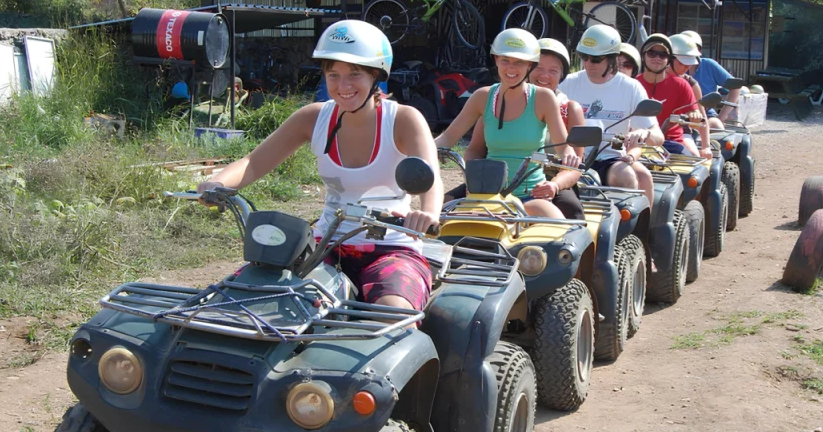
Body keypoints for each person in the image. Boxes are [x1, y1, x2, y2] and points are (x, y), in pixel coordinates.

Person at [195, 20, 443, 316]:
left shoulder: (402, 119)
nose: (343, 86)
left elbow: (431, 178)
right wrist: (217, 182)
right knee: (249, 297)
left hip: (392, 248)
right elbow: (252, 162)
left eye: (355, 74)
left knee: (393, 313)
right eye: (333, 75)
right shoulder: (313, 118)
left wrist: (428, 214)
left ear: (376, 76)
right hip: (324, 247)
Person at [435, 29, 581, 220]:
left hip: (530, 196)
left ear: (529, 64)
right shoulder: (482, 97)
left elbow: (564, 147)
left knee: (559, 229)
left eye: (519, 62)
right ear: (496, 59)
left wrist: (569, 157)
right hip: (486, 195)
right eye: (506, 60)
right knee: (436, 218)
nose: (511, 68)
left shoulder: (543, 98)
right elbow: (447, 138)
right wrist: (416, 153)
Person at [558, 24, 663, 207]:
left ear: (612, 58)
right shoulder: (567, 83)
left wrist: (643, 134)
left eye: (596, 59)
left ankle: (631, 231)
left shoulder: (630, 87)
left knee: (627, 175)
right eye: (584, 56)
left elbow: (658, 136)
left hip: (609, 158)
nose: (589, 63)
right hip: (569, 158)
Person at [636, 33, 711, 158]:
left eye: (663, 55)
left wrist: (694, 116)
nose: (657, 58)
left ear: (668, 58)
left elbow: (698, 118)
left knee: (695, 166)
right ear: (643, 55)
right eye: (651, 53)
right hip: (638, 142)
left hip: (672, 142)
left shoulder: (683, 84)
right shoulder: (633, 84)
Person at [679, 30, 742, 130]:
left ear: (699, 51)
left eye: (693, 48)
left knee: (716, 125)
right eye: (684, 49)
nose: (688, 52)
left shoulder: (709, 65)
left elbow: (736, 86)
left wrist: (722, 116)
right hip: (678, 114)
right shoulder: (671, 68)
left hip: (705, 114)